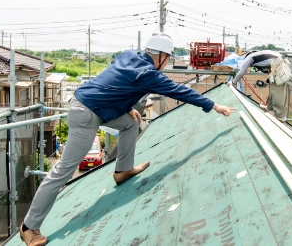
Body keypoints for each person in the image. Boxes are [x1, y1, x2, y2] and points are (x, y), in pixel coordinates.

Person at [19, 33, 236, 246]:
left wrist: (128, 107)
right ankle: (29, 227)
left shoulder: (129, 55)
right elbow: (180, 91)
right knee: (63, 171)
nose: (167, 62)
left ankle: (122, 170)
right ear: (162, 56)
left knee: (130, 121)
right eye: (168, 58)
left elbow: (116, 83)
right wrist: (214, 105)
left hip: (93, 106)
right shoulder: (148, 74)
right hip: (86, 114)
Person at [229, 50, 292, 120]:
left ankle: (280, 115)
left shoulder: (249, 58)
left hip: (280, 64)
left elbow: (242, 72)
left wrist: (233, 82)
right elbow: (270, 73)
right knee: (273, 89)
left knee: (277, 91)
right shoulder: (261, 57)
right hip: (280, 64)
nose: (251, 66)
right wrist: (266, 83)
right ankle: (270, 109)